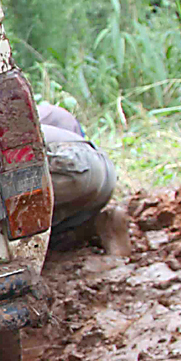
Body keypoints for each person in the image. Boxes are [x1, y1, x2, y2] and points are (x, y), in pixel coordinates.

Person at [38, 103, 126, 253]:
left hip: (66, 163)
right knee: (53, 231)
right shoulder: (48, 114)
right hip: (103, 168)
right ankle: (93, 225)